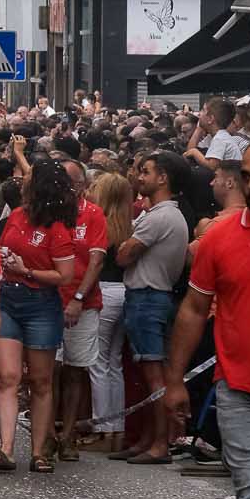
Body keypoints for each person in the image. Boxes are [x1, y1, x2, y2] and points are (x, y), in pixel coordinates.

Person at [165, 140, 250, 499]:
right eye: (249, 175)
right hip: (240, 390)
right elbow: (190, 311)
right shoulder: (220, 240)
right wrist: (174, 381)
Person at [0, 153, 76, 474]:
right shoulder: (17, 216)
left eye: (28, 177)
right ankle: (6, 448)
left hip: (41, 303)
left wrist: (27, 271)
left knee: (40, 380)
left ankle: (40, 451)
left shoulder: (57, 228)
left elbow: (64, 275)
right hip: (9, 298)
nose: (22, 179)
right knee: (8, 376)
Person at [113, 151, 191, 463]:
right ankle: (147, 439)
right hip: (148, 297)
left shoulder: (160, 217)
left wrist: (126, 246)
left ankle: (159, 445)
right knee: (147, 376)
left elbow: (123, 255)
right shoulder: (161, 215)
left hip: (148, 298)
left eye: (145, 171)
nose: (139, 177)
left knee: (155, 378)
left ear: (163, 178)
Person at [55, 160, 107, 460]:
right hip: (50, 301)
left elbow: (96, 262)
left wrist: (77, 297)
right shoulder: (50, 213)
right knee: (49, 371)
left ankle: (68, 434)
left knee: (75, 371)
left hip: (83, 305)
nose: (66, 187)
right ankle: (48, 431)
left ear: (82, 186)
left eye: (71, 182)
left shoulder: (94, 214)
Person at [87, 170, 133, 453]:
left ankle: (103, 431)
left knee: (98, 364)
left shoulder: (100, 225)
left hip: (104, 291)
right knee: (113, 364)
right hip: (124, 291)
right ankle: (116, 430)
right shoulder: (130, 225)